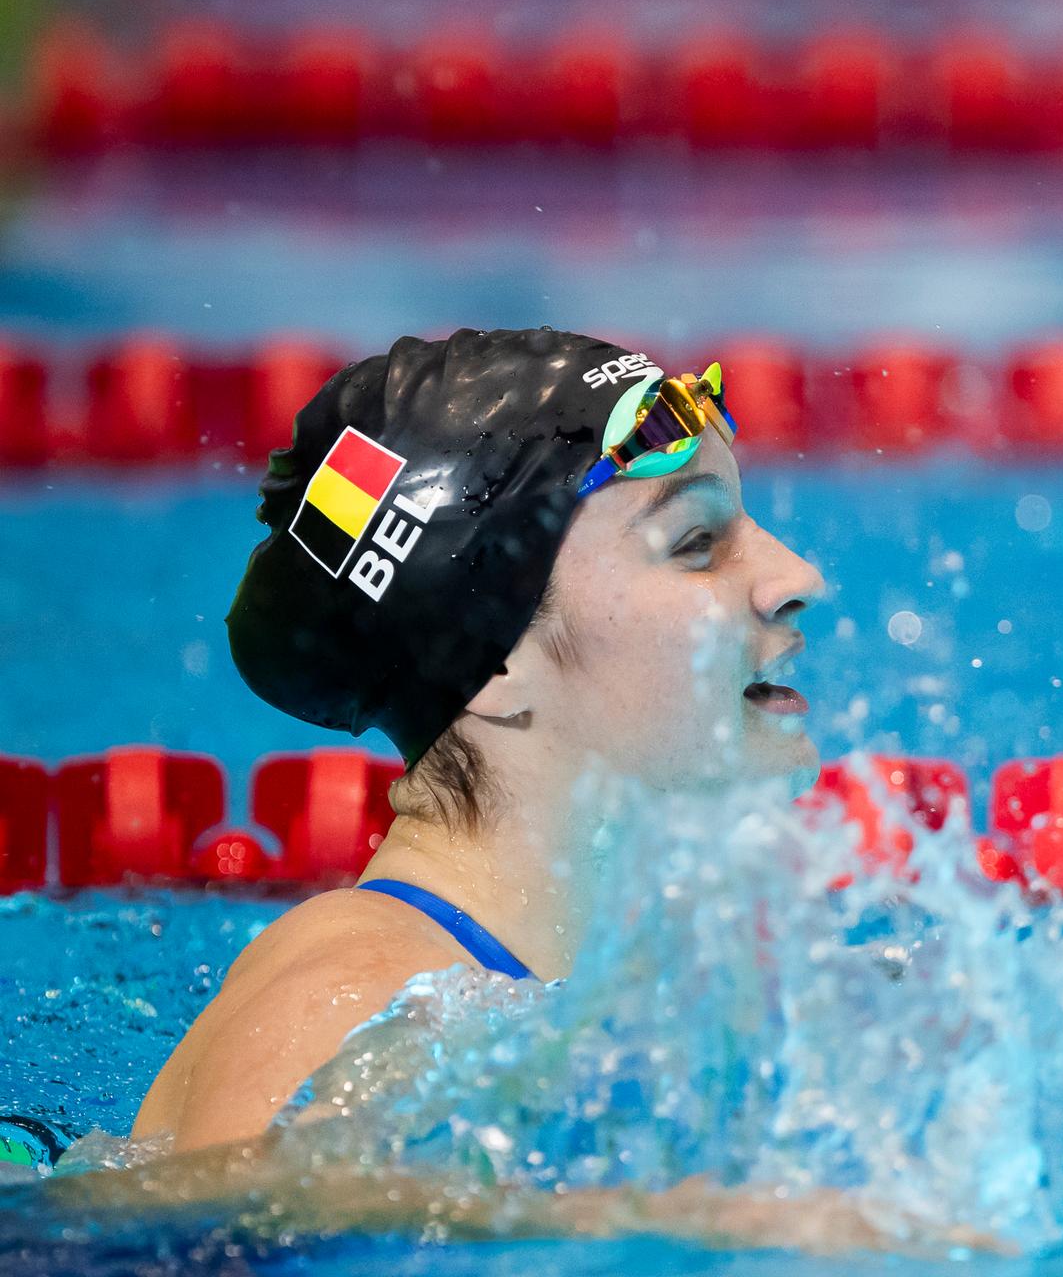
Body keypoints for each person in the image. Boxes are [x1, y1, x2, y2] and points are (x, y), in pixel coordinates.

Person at [133, 328, 827, 1154]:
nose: (798, 578)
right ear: (490, 663)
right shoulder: (352, 1004)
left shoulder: (547, 986)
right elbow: (219, 1218)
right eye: (696, 545)